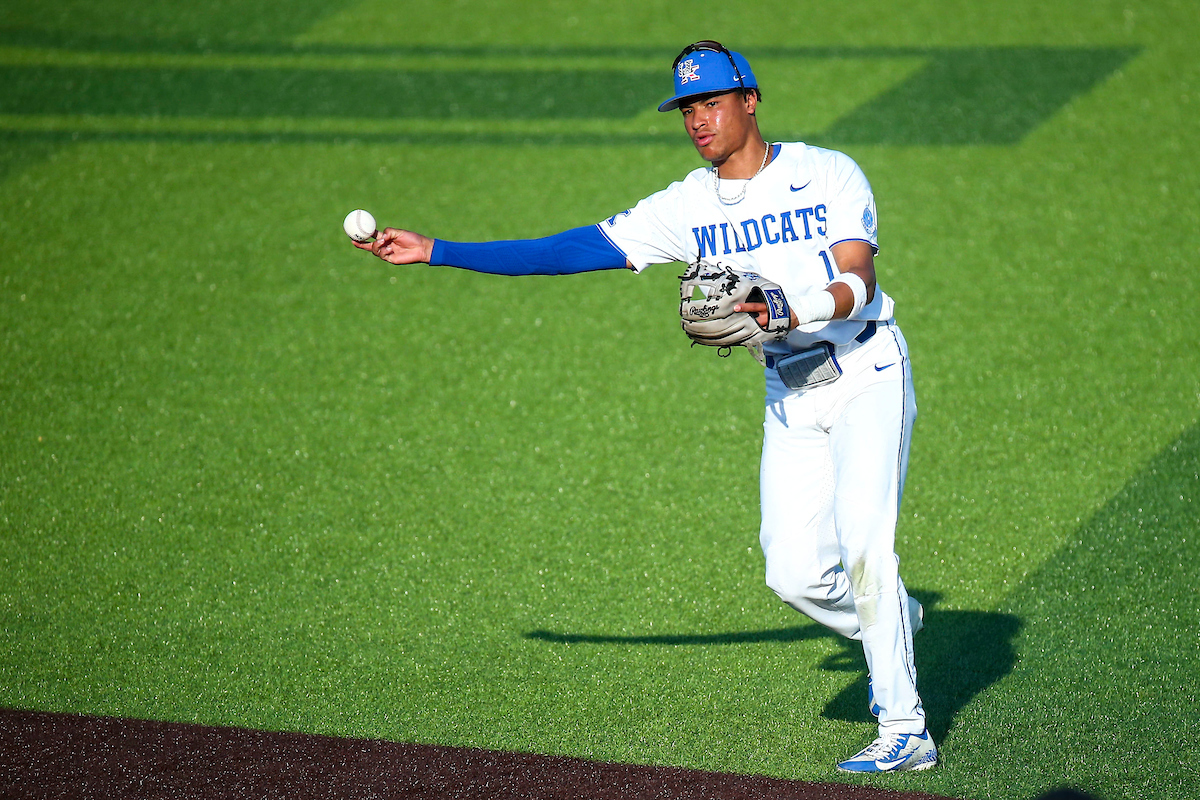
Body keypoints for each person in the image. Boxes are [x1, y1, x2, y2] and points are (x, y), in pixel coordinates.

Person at [354, 40, 935, 773]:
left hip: (864, 371)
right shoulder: (686, 205)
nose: (699, 120)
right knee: (791, 574)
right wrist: (438, 249)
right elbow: (571, 249)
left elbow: (859, 281)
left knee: (863, 546)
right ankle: (895, 626)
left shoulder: (826, 173)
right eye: (687, 108)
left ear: (749, 99)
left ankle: (906, 728)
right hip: (787, 389)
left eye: (712, 103)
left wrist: (787, 308)